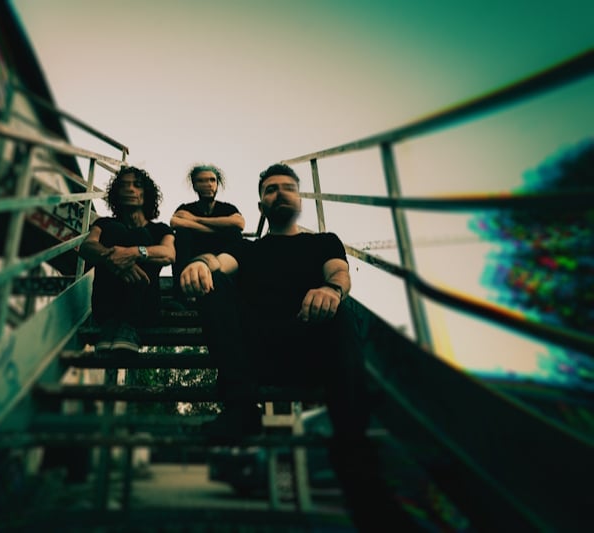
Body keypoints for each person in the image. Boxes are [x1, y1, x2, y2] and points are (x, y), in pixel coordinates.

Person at [179, 163, 417, 531]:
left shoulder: (323, 242)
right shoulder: (246, 249)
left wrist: (331, 290)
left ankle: (352, 450)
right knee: (213, 284)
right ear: (260, 205)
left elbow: (339, 273)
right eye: (271, 189)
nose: (279, 193)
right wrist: (199, 264)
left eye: (287, 187)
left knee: (342, 312)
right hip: (255, 355)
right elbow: (219, 261)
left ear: (300, 199)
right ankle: (241, 407)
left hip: (310, 349)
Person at [79, 166, 175, 352]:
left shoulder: (160, 229)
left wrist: (133, 253)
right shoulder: (104, 224)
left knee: (141, 235)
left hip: (144, 310)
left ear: (146, 194)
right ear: (117, 193)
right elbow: (87, 247)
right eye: (124, 185)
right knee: (114, 230)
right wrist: (113, 259)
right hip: (105, 309)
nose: (130, 189)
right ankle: (111, 325)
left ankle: (128, 325)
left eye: (136, 185)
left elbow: (169, 254)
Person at [169, 164, 244, 307]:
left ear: (217, 184)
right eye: (201, 181)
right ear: (194, 186)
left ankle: (234, 290)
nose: (208, 184)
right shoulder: (186, 208)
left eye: (212, 180)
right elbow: (175, 222)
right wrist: (219, 228)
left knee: (234, 233)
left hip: (223, 260)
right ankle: (181, 293)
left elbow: (239, 223)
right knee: (182, 234)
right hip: (193, 257)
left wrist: (195, 219)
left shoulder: (227, 208)